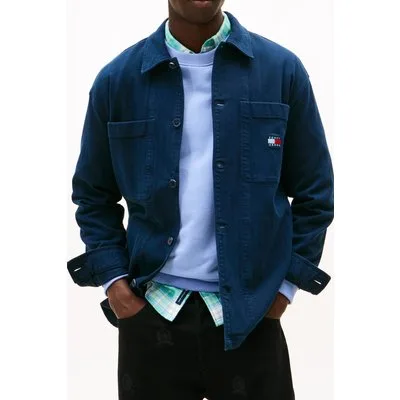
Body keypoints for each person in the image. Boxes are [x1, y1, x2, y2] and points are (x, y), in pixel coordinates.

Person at [67, 1, 334, 399]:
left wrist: (284, 290)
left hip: (252, 316)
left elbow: (315, 191)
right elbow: (93, 195)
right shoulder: (117, 80)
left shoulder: (281, 71)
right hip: (151, 314)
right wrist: (115, 285)